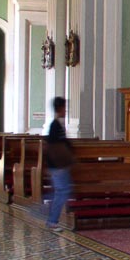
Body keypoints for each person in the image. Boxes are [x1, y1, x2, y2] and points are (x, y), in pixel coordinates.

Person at [45, 97, 74, 230]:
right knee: (61, 192)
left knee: (60, 191)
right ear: (60, 108)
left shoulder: (57, 124)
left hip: (59, 165)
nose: (65, 111)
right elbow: (54, 146)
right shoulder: (54, 125)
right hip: (58, 166)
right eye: (64, 108)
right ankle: (51, 220)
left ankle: (48, 215)